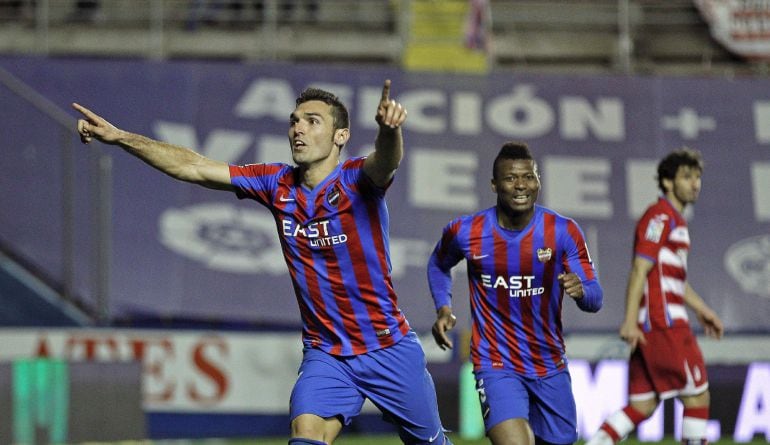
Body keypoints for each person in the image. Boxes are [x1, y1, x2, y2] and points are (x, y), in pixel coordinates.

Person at [73, 80, 452, 445]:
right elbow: (194, 167)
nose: (298, 129)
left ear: (341, 136)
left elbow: (386, 161)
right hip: (328, 354)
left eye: (312, 121)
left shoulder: (356, 180)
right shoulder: (276, 183)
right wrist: (122, 138)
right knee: (305, 433)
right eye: (294, 121)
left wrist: (389, 131)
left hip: (387, 346)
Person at [427, 141, 603, 445]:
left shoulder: (563, 231)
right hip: (496, 363)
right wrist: (444, 307)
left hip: (549, 364)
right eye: (510, 178)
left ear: (538, 182)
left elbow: (595, 298)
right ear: (495, 185)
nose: (520, 185)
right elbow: (438, 265)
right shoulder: (466, 231)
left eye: (528, 177)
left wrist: (581, 291)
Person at [585, 148, 724, 445]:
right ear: (667, 181)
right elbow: (639, 268)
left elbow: (671, 279)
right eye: (687, 177)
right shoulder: (659, 217)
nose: (695, 183)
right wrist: (630, 321)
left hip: (655, 323)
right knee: (698, 397)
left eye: (697, 177)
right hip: (663, 323)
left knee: (642, 405)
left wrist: (703, 310)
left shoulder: (674, 220)